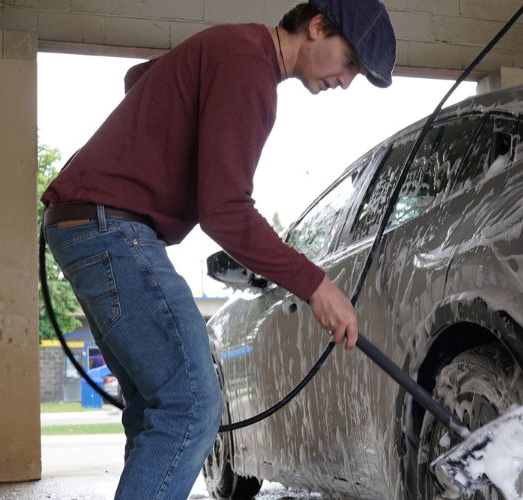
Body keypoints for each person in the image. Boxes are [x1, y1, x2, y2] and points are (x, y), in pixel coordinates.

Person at [40, 1, 396, 498]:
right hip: (112, 230)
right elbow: (225, 211)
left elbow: (140, 78)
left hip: (85, 226)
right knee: (191, 407)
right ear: (317, 27)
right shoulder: (249, 65)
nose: (345, 81)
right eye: (350, 61)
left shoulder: (232, 49)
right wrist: (317, 285)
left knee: (155, 410)